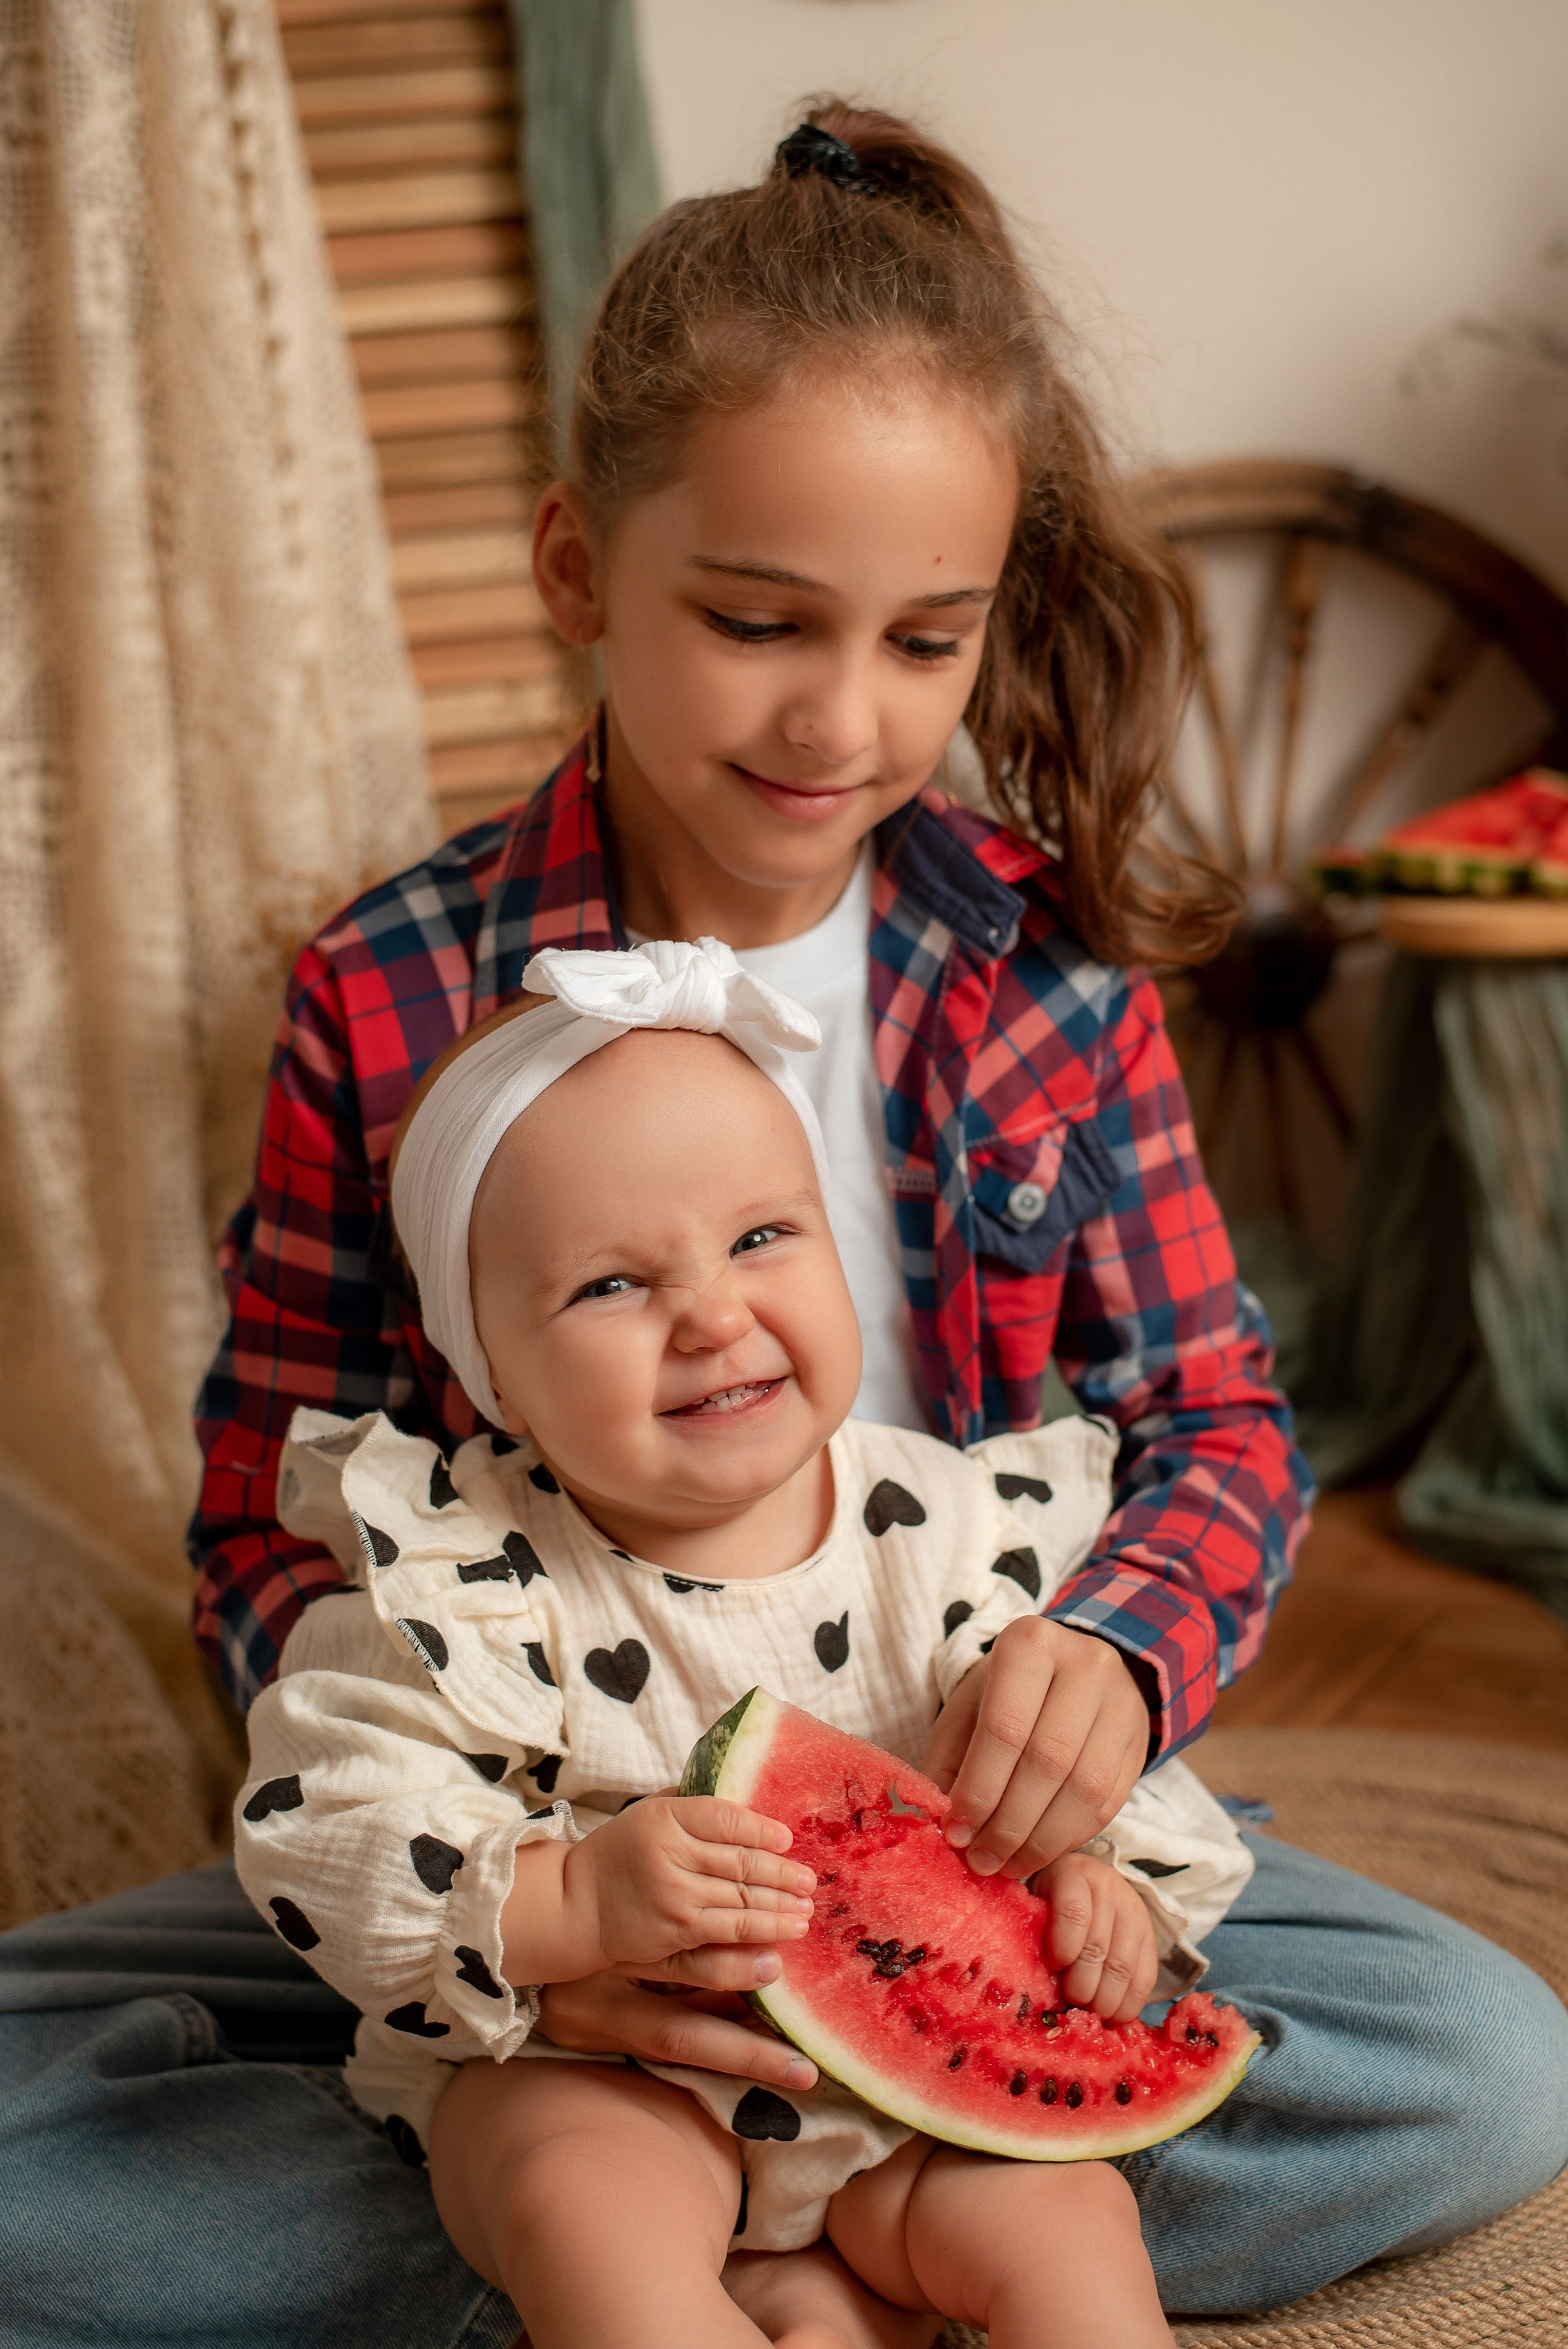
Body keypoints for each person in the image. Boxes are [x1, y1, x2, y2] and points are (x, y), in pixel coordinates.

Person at [0, 99, 1562, 2349]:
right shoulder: (389, 991)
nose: (845, 718)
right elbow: (264, 1531)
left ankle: (700, 2245)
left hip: (965, 1839)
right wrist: (515, 1903)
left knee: (1491, 2063)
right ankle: (662, 2210)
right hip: (553, 1835)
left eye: (928, 642)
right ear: (578, 570)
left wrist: (1110, 1663)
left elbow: (1216, 1423)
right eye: (755, 621)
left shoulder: (1052, 973)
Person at [237, 935, 1257, 2349]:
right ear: (493, 1380)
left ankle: (819, 2287)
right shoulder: (460, 1578)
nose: (715, 1314)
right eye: (608, 1287)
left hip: (918, 2108)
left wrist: (1107, 1904)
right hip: (601, 2068)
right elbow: (322, 1831)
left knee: (1073, 2229)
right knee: (578, 2199)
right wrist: (569, 1908)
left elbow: (1075, 1763)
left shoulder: (957, 1524)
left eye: (764, 1237)